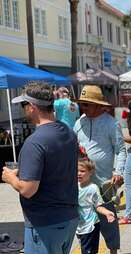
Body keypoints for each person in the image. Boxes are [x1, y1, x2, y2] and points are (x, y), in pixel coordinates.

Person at [2, 82, 78, 254]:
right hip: (68, 218)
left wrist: (10, 178)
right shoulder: (68, 132)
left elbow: (28, 189)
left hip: (45, 223)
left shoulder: (35, 142)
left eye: (23, 105)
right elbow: (55, 166)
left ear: (32, 107)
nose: (23, 109)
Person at [74, 85, 126, 254]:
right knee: (85, 221)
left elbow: (120, 150)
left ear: (98, 105)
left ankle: (113, 251)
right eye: (82, 104)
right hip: (83, 183)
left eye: (87, 104)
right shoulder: (79, 122)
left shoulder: (111, 123)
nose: (83, 107)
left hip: (104, 183)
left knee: (108, 220)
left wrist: (118, 172)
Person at [77, 159, 116, 254]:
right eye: (77, 171)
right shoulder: (75, 186)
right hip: (80, 225)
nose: (79, 173)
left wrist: (107, 213)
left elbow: (98, 206)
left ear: (90, 172)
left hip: (91, 225)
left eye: (82, 171)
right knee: (86, 250)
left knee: (88, 251)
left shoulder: (93, 188)